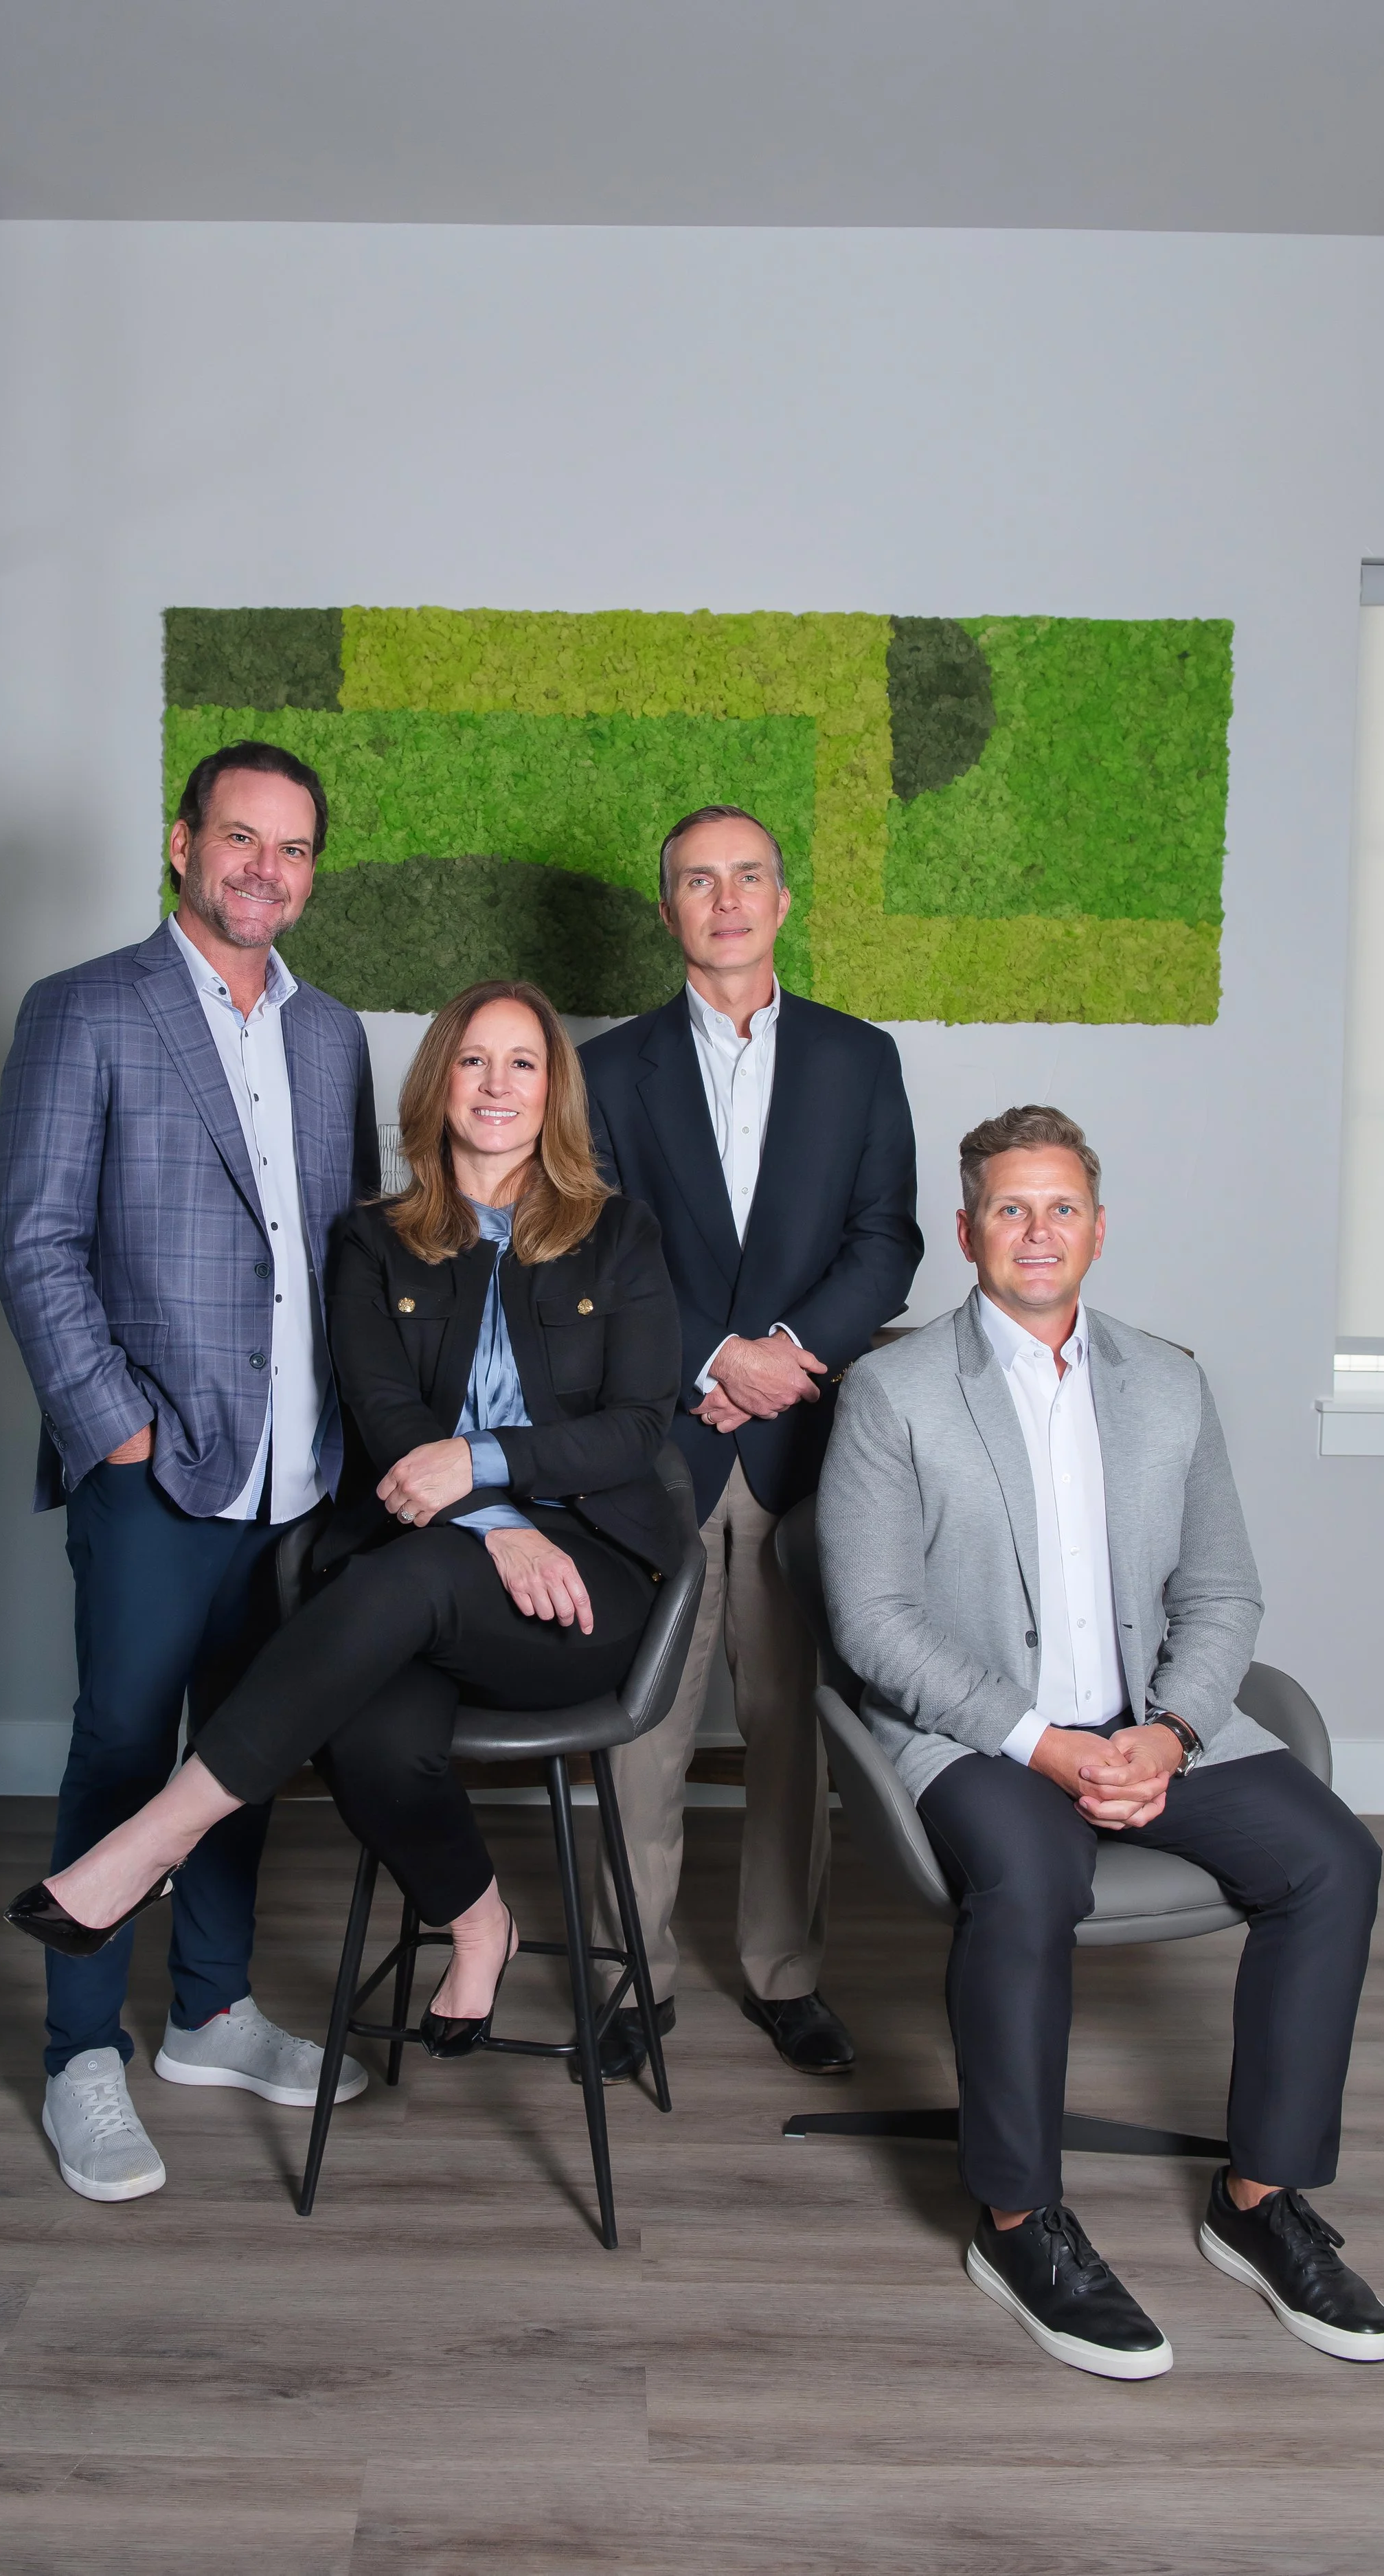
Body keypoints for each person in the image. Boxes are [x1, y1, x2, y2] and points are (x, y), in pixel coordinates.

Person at [817, 1103, 1384, 2378]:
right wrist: (1045, 1746)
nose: (1038, 1232)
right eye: (1011, 1209)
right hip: (982, 1739)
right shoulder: (892, 1391)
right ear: (967, 1230)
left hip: (1157, 1727)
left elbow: (1226, 1588)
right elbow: (872, 1621)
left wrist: (1174, 1728)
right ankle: (1020, 2222)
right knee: (1033, 1879)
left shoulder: (1168, 1382)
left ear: (1099, 1227)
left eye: (1061, 1207)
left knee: (1334, 1862)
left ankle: (1261, 2204)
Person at [5, 981, 685, 2068]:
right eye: (472, 1061)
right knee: (372, 1737)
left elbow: (639, 1426)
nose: (497, 1085)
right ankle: (479, 1921)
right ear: (437, 1084)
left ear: (554, 1089)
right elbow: (384, 1418)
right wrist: (495, 1517)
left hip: (583, 1582)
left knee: (393, 1581)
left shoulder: (621, 1234)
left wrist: (484, 1464)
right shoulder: (374, 1242)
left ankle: (157, 1835)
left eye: (523, 1062)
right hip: (427, 1569)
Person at [0, 738, 381, 2203]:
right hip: (156, 1470)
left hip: (300, 1473)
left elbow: (342, 1256)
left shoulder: (330, 1034)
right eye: (238, 839)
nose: (261, 869)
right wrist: (117, 1425)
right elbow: (30, 1239)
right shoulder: (86, 1009)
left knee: (245, 1748)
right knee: (121, 1745)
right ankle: (78, 2052)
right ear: (182, 844)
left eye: (289, 849)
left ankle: (209, 2013)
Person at [580, 805, 922, 2081]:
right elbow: (589, 1255)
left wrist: (787, 1356)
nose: (723, 898)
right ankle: (632, 1985)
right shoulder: (607, 1071)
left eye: (748, 877)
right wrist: (714, 1361)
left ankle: (786, 1975)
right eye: (694, 881)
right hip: (654, 1448)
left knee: (790, 1731)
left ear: (785, 900)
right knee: (640, 1736)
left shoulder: (857, 1058)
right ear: (668, 909)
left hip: (799, 1450)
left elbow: (888, 1236)